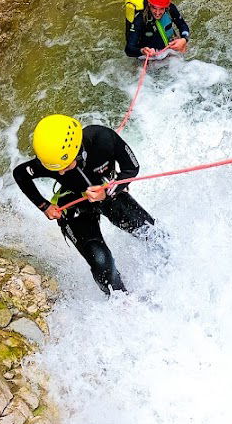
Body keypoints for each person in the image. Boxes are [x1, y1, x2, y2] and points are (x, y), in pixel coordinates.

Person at [13, 115, 154, 294]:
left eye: (64, 165)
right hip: (73, 204)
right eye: (55, 169)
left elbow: (131, 168)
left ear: (77, 150)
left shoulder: (103, 139)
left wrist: (111, 190)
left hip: (108, 194)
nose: (61, 172)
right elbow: (20, 174)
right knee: (101, 262)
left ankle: (171, 268)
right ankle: (122, 303)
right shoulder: (52, 161)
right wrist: (44, 206)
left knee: (151, 232)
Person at [124, 0, 190, 59]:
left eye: (161, 9)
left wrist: (184, 39)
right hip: (148, 49)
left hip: (166, 44)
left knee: (183, 47)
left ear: (166, 6)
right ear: (149, 4)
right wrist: (142, 51)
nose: (158, 13)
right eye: (154, 8)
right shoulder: (140, 18)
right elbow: (128, 49)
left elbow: (182, 25)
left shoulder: (170, 8)